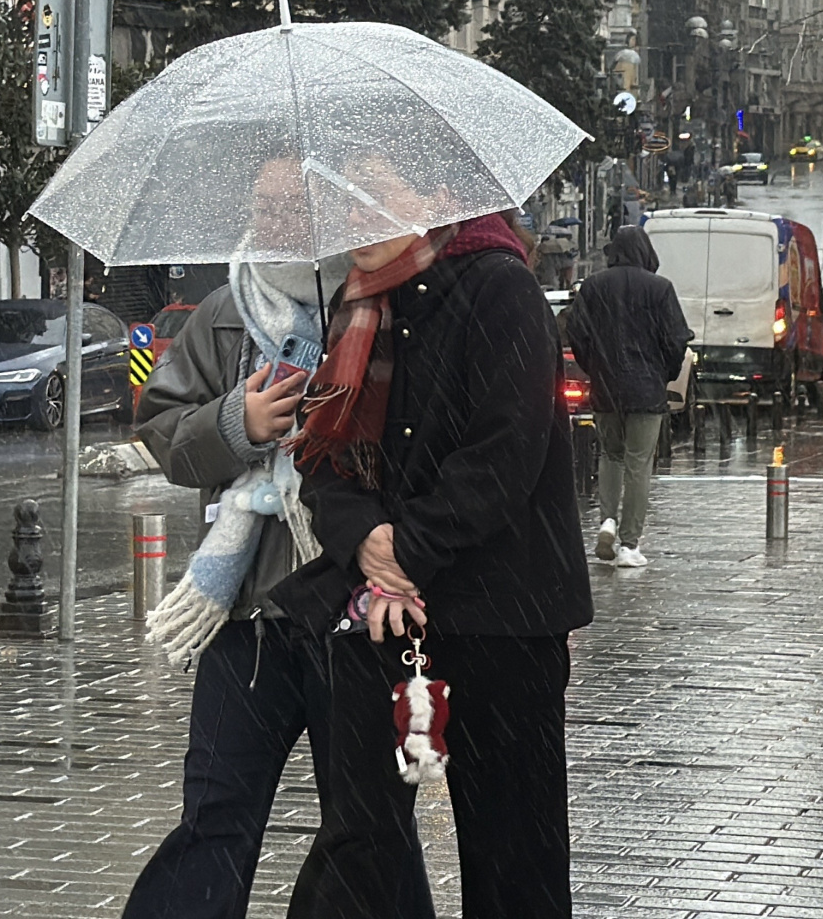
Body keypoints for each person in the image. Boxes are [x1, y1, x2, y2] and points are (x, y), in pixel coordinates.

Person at [127, 167, 434, 919]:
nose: (270, 219)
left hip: (353, 615)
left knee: (373, 829)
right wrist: (238, 423)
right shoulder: (226, 313)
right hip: (249, 618)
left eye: (288, 206)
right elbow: (161, 428)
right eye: (260, 205)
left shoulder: (376, 308)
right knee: (214, 819)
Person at [273, 208, 594, 919]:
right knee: (360, 839)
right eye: (344, 198)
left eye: (372, 193)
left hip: (502, 624)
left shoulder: (501, 287)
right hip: (389, 628)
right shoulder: (361, 301)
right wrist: (366, 544)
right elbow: (322, 460)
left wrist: (404, 552)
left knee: (513, 854)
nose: (354, 216)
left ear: (432, 193)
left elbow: (504, 455)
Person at [567, 225, 692, 568]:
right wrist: (662, 371)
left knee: (610, 455)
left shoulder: (594, 287)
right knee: (639, 463)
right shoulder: (659, 288)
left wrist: (595, 366)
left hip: (607, 387)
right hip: (646, 389)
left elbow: (576, 332)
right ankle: (629, 544)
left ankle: (606, 519)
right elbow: (677, 339)